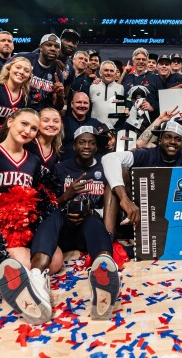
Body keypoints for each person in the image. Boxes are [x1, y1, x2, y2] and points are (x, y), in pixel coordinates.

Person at [0, 109, 64, 324]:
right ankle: (36, 297)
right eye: (23, 124)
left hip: (23, 226)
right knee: (27, 263)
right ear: (10, 122)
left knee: (56, 260)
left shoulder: (32, 161)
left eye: (33, 128)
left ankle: (28, 282)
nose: (28, 131)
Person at [50, 126, 121, 320]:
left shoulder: (104, 169)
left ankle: (104, 273)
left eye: (91, 142)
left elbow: (110, 205)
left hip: (91, 228)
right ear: (74, 145)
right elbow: (51, 204)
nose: (87, 146)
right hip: (65, 227)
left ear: (97, 147)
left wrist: (92, 211)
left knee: (91, 220)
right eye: (82, 141)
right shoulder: (60, 168)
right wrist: (66, 198)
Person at [102, 121, 182, 227]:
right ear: (160, 140)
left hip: (171, 212)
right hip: (140, 207)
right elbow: (108, 158)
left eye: (178, 139)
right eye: (168, 137)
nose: (173, 142)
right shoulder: (146, 154)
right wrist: (125, 199)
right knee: (116, 178)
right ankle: (107, 238)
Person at [14, 34, 65, 112]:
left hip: (40, 115)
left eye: (56, 46)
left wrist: (59, 95)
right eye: (49, 45)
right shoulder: (24, 58)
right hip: (18, 109)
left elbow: (58, 107)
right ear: (40, 47)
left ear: (59, 51)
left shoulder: (57, 73)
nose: (53, 49)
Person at [0, 57, 31, 133]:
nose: (21, 72)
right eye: (18, 67)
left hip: (7, 138)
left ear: (29, 76)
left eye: (26, 71)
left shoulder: (26, 98)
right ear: (9, 69)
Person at [61, 92, 102, 162]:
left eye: (85, 103)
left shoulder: (95, 123)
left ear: (89, 105)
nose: (82, 105)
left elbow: (108, 134)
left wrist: (111, 137)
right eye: (79, 102)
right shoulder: (62, 122)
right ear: (72, 104)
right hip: (67, 166)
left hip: (89, 166)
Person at [89, 60, 127, 128]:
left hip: (113, 128)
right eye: (106, 70)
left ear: (115, 74)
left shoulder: (120, 88)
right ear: (100, 73)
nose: (109, 73)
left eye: (111, 71)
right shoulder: (92, 87)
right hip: (95, 128)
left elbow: (120, 111)